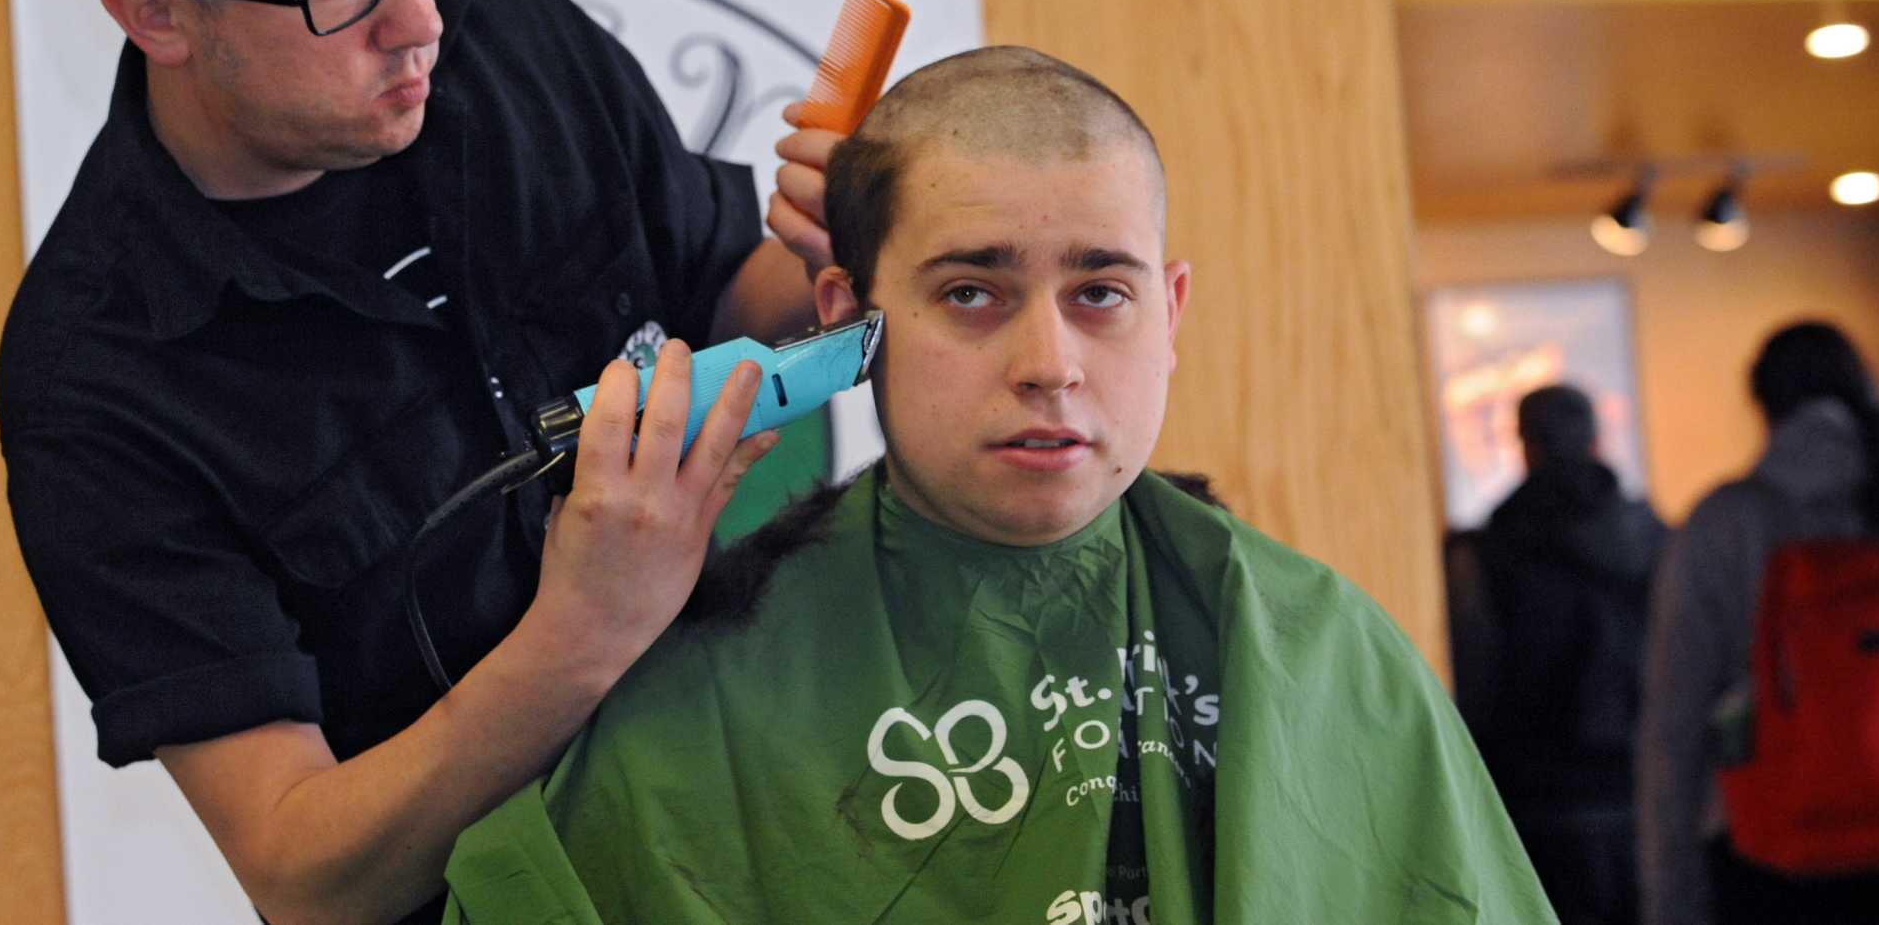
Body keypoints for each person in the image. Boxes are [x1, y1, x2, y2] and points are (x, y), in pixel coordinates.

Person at [0, 0, 832, 925]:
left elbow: (731, 300)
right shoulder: (98, 376)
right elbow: (304, 872)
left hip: (771, 822)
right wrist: (583, 631)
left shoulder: (517, 42)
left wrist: (845, 252)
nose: (419, 17)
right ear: (154, 15)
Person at [443, 46, 1557, 924]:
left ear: (1168, 311)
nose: (1048, 362)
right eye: (971, 292)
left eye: (1100, 293)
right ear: (842, 318)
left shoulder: (1322, 647)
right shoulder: (708, 681)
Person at [1636, 321, 1879, 925]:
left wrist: (1669, 895)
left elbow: (1674, 722)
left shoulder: (1723, 523)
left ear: (1762, 403)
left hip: (1763, 845)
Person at [1446, 384, 1666, 925]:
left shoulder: (1492, 550)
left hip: (1539, 800)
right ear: (1596, 437)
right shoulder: (1655, 536)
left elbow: (1479, 682)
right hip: (1649, 787)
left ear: (1526, 444)